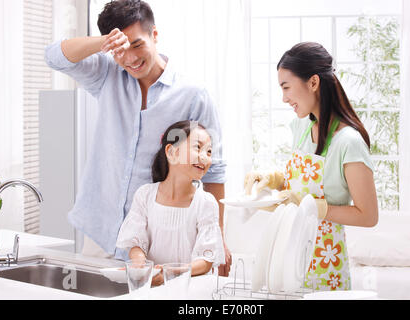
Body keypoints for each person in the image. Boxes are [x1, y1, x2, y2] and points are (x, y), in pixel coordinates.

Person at [44, 0, 231, 275]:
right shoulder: (107, 75)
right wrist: (103, 44)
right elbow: (53, 57)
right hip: (100, 229)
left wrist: (218, 240)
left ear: (154, 35)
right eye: (120, 49)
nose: (130, 58)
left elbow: (214, 170)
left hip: (154, 237)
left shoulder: (193, 94)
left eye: (137, 44)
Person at [244, 42, 378, 291]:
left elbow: (368, 215)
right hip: (289, 258)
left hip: (326, 265)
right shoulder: (301, 127)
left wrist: (315, 208)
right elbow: (298, 187)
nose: (284, 98)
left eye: (286, 87)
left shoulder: (349, 142)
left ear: (313, 82)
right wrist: (274, 179)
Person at [116, 120, 225, 286]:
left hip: (189, 291)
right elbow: (135, 242)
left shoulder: (205, 202)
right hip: (152, 290)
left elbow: (206, 260)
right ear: (171, 152)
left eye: (209, 152)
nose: (205, 157)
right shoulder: (145, 195)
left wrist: (172, 273)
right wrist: (140, 264)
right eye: (197, 147)